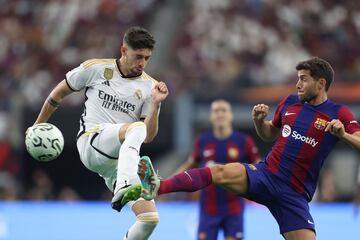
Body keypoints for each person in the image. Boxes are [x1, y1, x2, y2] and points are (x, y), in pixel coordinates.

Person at [137, 57, 360, 240]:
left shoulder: (339, 114)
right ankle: (158, 186)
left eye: (303, 79)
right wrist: (258, 121)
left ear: (321, 84)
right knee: (219, 171)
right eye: (297, 79)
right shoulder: (291, 102)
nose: (298, 84)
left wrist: (344, 135)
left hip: (294, 194)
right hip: (266, 175)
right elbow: (269, 133)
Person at [29, 26, 168, 240]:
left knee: (149, 220)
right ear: (123, 50)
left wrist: (156, 106)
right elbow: (58, 93)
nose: (142, 63)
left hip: (117, 163)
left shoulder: (150, 87)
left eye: (147, 58)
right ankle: (125, 184)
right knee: (135, 128)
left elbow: (148, 137)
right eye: (138, 56)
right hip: (90, 142)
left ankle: (125, 183)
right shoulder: (96, 69)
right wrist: (38, 125)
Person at [175, 99, 260, 240]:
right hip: (208, 208)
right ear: (211, 116)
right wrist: (168, 182)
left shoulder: (243, 141)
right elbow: (191, 164)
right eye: (216, 111)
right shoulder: (203, 140)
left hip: (234, 207)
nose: (220, 114)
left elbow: (258, 167)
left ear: (230, 115)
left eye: (223, 110)